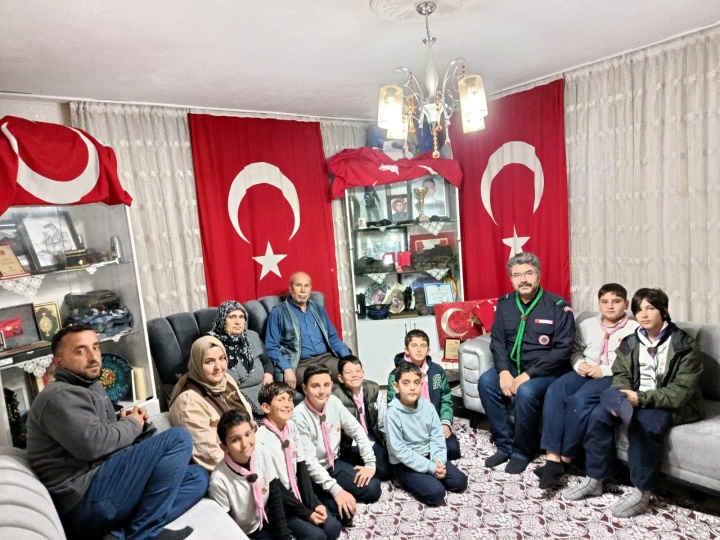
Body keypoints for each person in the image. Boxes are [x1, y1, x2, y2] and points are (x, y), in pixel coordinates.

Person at [26, 324, 207, 540]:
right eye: (80, 351)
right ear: (59, 362)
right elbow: (94, 445)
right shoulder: (58, 396)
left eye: (95, 347)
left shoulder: (90, 385)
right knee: (179, 438)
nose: (93, 357)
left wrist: (128, 421)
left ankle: (119, 535)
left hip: (106, 486)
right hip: (84, 500)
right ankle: (143, 533)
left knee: (197, 477)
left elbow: (102, 434)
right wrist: (132, 424)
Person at [563, 288, 704, 517]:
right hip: (635, 397)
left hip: (670, 402)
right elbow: (621, 373)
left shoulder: (684, 344)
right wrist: (622, 394)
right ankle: (595, 479)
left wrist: (640, 399)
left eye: (650, 308)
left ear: (664, 311)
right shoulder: (631, 341)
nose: (644, 314)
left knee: (643, 424)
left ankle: (642, 492)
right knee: (598, 415)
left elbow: (681, 391)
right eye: (639, 310)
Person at [478, 252, 575, 474]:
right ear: (511, 279)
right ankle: (505, 446)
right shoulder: (505, 304)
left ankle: (522, 451)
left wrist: (528, 375)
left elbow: (562, 350)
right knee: (486, 382)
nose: (523, 279)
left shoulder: (557, 306)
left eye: (528, 273)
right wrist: (504, 371)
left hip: (546, 371)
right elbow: (498, 341)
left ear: (538, 276)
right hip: (514, 366)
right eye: (517, 275)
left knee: (527, 391)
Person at [536, 283, 639, 489]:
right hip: (585, 369)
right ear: (599, 304)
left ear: (626, 304)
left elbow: (633, 362)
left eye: (616, 301)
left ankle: (565, 459)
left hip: (612, 374)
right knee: (555, 390)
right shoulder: (587, 324)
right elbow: (575, 351)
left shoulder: (634, 329)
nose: (610, 306)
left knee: (580, 399)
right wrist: (579, 364)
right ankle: (552, 458)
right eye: (605, 301)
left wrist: (604, 370)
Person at [292, 364, 381, 526]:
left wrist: (370, 463)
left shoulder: (333, 401)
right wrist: (337, 490)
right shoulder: (299, 416)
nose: (322, 391)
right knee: (345, 515)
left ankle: (332, 493)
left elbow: (357, 430)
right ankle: (320, 498)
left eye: (326, 385)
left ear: (331, 385)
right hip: (311, 475)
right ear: (305, 388)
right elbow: (310, 463)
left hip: (333, 464)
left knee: (374, 488)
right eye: (315, 386)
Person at [256, 382, 342, 540]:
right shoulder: (260, 438)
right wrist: (307, 513)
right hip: (279, 501)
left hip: (297, 492)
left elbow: (302, 467)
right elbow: (274, 488)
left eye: (289, 399)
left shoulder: (291, 426)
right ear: (266, 407)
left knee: (333, 528)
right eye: (281, 400)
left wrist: (314, 504)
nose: (287, 404)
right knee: (318, 537)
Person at [386, 362, 468, 505]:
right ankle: (410, 480)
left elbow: (437, 435)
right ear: (396, 387)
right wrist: (431, 468)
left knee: (460, 482)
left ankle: (430, 476)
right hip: (405, 462)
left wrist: (438, 461)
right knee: (436, 494)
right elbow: (400, 450)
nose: (412, 387)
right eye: (406, 383)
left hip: (428, 453)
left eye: (416, 383)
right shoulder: (392, 413)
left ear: (421, 384)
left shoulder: (427, 406)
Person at [169, 335, 254, 471]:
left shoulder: (226, 379)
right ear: (197, 363)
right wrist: (247, 467)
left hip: (249, 453)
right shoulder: (188, 400)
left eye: (222, 358)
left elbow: (250, 420)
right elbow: (210, 455)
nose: (218, 367)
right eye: (209, 361)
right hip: (230, 470)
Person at [208, 409, 292, 539]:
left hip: (267, 520)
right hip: (244, 533)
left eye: (248, 434)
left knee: (317, 534)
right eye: (235, 440)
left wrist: (284, 536)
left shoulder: (262, 451)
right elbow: (226, 526)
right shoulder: (219, 480)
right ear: (224, 447)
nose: (245, 444)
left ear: (253, 431)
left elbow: (274, 497)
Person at [265, 271, 351, 389]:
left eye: (306, 286)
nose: (303, 290)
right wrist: (287, 368)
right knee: (318, 383)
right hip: (300, 364)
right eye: (298, 285)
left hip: (326, 359)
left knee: (351, 373)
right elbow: (271, 347)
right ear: (290, 288)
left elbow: (333, 338)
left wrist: (349, 359)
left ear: (310, 288)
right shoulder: (278, 312)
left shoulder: (319, 309)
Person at [387, 329, 460, 460]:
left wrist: (445, 423)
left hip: (433, 423)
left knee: (453, 451)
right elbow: (394, 404)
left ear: (428, 350)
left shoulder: (437, 371)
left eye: (423, 346)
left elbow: (446, 398)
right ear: (406, 350)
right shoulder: (396, 374)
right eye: (414, 346)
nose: (419, 350)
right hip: (411, 429)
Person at [331, 355, 392, 481]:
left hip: (371, 441)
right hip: (349, 445)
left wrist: (388, 446)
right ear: (340, 378)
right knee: (354, 474)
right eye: (349, 372)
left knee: (386, 471)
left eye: (358, 371)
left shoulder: (373, 388)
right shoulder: (334, 395)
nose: (355, 375)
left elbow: (382, 422)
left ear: (363, 373)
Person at [208, 300, 274, 416]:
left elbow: (267, 362)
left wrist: (268, 374)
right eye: (232, 317)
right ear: (222, 319)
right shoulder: (210, 344)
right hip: (234, 398)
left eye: (241, 317)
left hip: (262, 392)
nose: (238, 322)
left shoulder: (252, 336)